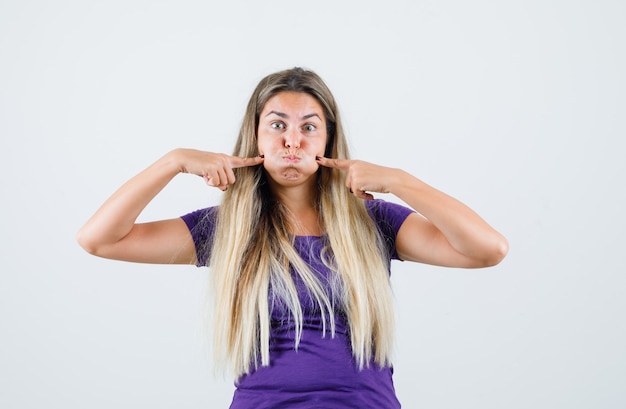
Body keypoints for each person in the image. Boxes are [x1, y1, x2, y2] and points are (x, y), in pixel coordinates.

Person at [76, 67, 508, 408]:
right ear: (257, 136)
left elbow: (488, 249)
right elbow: (100, 239)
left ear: (328, 140)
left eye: (308, 127)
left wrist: (400, 180)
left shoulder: (374, 223)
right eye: (277, 125)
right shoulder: (229, 229)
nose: (292, 141)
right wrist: (172, 162)